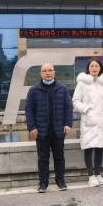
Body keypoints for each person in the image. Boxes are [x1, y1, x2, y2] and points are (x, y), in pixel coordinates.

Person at [25, 63, 73, 193]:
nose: (48, 73)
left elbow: (68, 108)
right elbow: (29, 110)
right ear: (41, 74)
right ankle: (43, 183)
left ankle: (60, 181)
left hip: (58, 129)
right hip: (41, 131)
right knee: (43, 158)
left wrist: (68, 124)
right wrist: (32, 128)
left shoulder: (62, 89)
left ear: (54, 72)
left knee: (59, 156)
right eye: (45, 71)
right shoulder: (34, 90)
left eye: (50, 70)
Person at [72, 58, 103, 187]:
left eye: (96, 66)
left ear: (100, 68)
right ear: (88, 68)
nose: (94, 68)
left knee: (99, 147)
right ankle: (91, 176)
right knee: (88, 148)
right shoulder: (82, 83)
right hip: (88, 120)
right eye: (92, 66)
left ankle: (98, 174)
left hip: (101, 120)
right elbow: (75, 101)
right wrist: (85, 109)